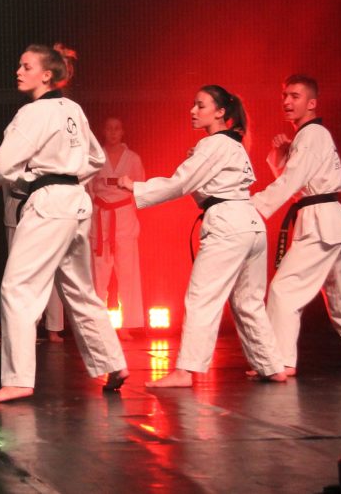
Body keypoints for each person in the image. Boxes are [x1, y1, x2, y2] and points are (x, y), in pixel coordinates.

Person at [0, 44, 128, 404]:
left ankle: (18, 380)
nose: (18, 71)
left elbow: (3, 162)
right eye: (19, 65)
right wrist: (67, 175)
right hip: (76, 201)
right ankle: (113, 362)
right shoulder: (73, 109)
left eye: (26, 66)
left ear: (47, 75)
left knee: (17, 288)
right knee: (80, 289)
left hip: (49, 205)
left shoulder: (33, 112)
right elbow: (96, 158)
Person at [120, 85, 287, 388]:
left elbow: (180, 183)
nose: (193, 111)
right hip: (250, 222)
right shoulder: (232, 144)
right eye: (193, 105)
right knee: (248, 301)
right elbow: (203, 184)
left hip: (228, 225)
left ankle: (186, 371)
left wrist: (136, 187)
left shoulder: (214, 144)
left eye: (200, 105)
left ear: (220, 112)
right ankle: (272, 366)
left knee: (202, 297)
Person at [250, 75, 341, 374]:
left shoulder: (312, 135)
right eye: (285, 95)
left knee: (284, 290)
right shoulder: (309, 136)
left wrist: (251, 206)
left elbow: (292, 182)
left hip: (321, 223)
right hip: (332, 223)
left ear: (312, 103)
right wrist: (282, 155)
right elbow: (298, 181)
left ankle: (279, 361)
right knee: (338, 298)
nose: (286, 101)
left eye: (294, 96)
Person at [89, 117, 145, 338]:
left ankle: (127, 325)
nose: (113, 132)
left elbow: (140, 187)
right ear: (103, 131)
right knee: (98, 273)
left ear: (122, 132)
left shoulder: (133, 158)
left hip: (123, 216)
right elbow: (88, 187)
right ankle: (97, 324)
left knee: (128, 271)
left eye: (117, 128)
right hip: (100, 215)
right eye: (109, 128)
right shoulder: (95, 157)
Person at [3, 181, 65, 343]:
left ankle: (54, 327)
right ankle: (23, 327)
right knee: (18, 273)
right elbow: (5, 185)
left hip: (46, 209)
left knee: (50, 268)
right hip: (17, 207)